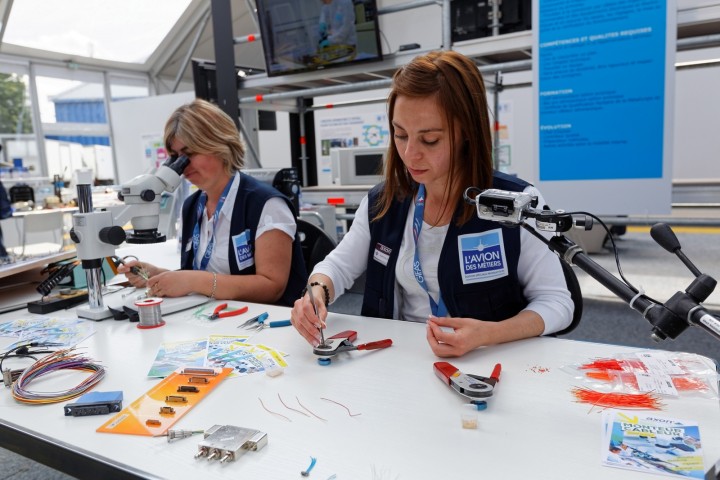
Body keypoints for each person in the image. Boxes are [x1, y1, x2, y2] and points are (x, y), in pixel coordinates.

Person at [290, 50, 574, 357]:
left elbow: (558, 303)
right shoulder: (383, 202)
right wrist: (316, 291)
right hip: (396, 362)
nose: (410, 154)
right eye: (400, 135)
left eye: (430, 140)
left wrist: (488, 334)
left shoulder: (516, 203)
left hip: (487, 363)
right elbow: (336, 267)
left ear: (467, 132)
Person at [118, 99, 307, 306]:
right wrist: (157, 275)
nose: (182, 166)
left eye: (189, 154)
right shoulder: (191, 206)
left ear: (219, 145)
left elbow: (272, 288)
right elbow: (202, 277)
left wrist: (194, 280)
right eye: (176, 157)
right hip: (212, 322)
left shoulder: (266, 205)